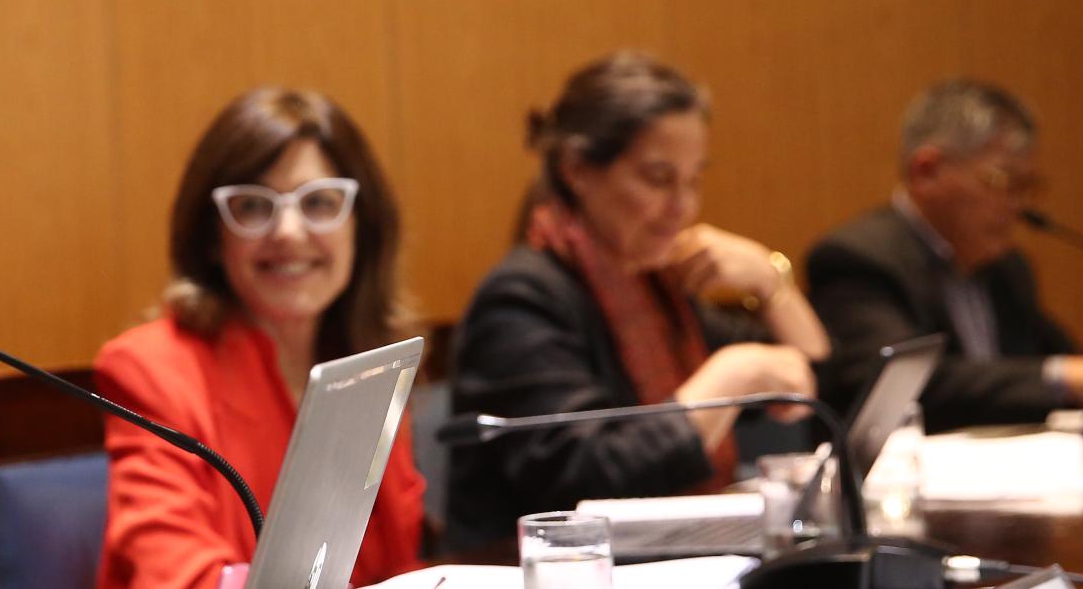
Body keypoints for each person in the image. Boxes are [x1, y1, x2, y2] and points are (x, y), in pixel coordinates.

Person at [442, 52, 830, 549]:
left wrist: (772, 283)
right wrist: (733, 375)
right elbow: (588, 482)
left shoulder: (655, 286)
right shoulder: (519, 299)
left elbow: (810, 384)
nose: (684, 207)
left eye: (693, 180)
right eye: (659, 179)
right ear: (578, 170)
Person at [95, 88, 425, 589]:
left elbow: (396, 564)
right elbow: (178, 577)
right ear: (212, 237)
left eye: (319, 202)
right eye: (253, 206)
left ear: (363, 227)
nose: (288, 232)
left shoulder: (369, 359)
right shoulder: (149, 370)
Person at [806, 80, 1083, 431]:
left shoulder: (1007, 267)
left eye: (1026, 186)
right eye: (1003, 181)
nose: (1018, 205)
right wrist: (1065, 376)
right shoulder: (857, 260)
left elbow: (1048, 361)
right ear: (927, 171)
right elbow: (908, 383)